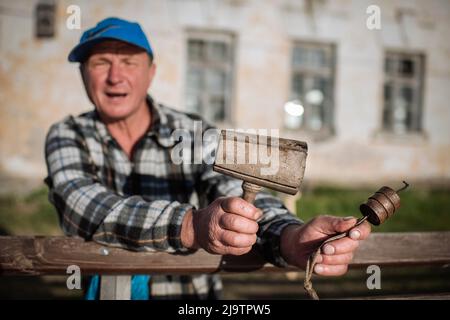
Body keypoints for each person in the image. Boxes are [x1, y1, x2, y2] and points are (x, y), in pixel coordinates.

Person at [44, 17, 371, 299]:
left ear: (151, 72)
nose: (115, 76)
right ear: (84, 73)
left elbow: (231, 189)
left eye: (129, 61)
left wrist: (289, 237)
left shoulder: (194, 132)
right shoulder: (69, 135)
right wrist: (192, 225)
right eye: (101, 62)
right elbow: (83, 208)